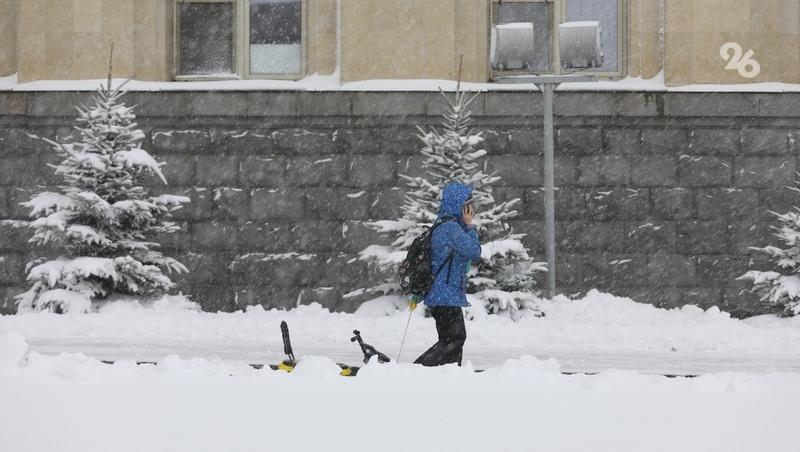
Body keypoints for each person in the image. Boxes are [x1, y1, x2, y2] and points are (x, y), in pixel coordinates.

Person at [414, 182, 481, 367]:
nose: (472, 209)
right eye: (469, 205)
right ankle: (417, 369)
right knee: (455, 339)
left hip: (443, 294)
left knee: (451, 339)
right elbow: (474, 252)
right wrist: (469, 226)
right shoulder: (451, 229)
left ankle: (451, 374)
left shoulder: (443, 225)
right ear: (460, 206)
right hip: (444, 294)